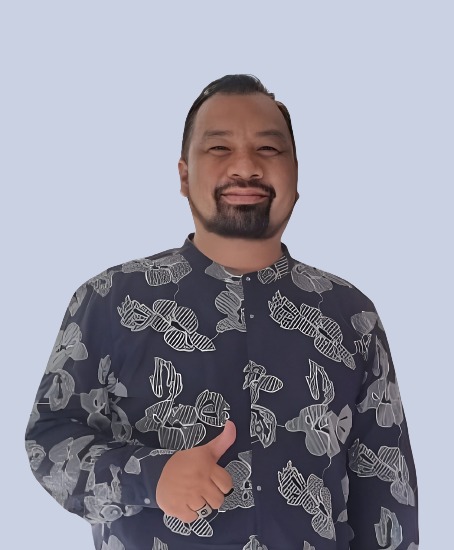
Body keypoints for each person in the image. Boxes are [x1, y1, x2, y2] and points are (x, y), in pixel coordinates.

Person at [25, 74, 419, 550]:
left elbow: (387, 492)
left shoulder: (350, 316)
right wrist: (151, 476)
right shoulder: (109, 300)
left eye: (268, 149)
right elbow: (50, 441)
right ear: (184, 175)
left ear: (295, 173)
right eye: (219, 148)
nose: (246, 166)